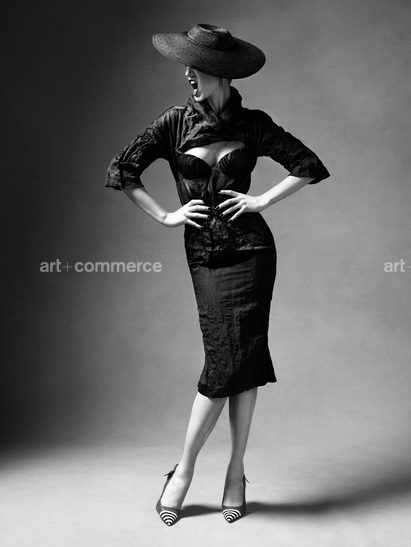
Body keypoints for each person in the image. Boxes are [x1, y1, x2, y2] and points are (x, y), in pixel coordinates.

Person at [106, 23, 330, 526]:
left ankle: (234, 472)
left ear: (223, 74)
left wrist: (261, 200)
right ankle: (184, 470)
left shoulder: (253, 124)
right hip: (206, 256)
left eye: (198, 67)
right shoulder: (172, 123)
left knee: (244, 359)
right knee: (226, 362)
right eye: (186, 65)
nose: (188, 74)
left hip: (253, 252)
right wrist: (166, 216)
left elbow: (307, 165)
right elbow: (124, 170)